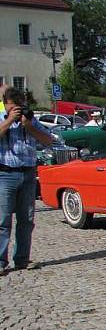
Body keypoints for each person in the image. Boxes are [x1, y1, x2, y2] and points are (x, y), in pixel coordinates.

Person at [0, 86, 53, 274]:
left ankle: (22, 259)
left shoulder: (30, 120)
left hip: (28, 173)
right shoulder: (2, 118)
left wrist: (28, 126)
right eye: (13, 107)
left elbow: (48, 140)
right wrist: (9, 121)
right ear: (5, 105)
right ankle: (0, 261)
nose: (17, 111)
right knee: (3, 220)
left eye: (20, 107)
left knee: (27, 220)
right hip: (5, 173)